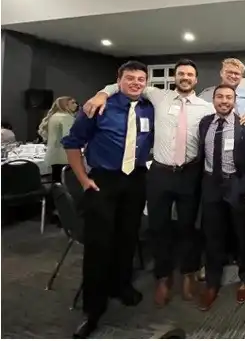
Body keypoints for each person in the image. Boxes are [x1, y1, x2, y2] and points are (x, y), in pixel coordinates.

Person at [84, 59, 212, 306]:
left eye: (190, 74)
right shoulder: (158, 96)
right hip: (160, 174)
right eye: (181, 73)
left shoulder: (205, 107)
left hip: (190, 174)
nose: (185, 77)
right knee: (159, 227)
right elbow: (124, 84)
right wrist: (102, 94)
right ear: (175, 77)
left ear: (196, 80)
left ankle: (188, 274)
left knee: (189, 228)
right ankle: (163, 278)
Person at [62, 61, 154, 339]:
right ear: (119, 80)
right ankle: (93, 308)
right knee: (99, 244)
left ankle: (121, 285)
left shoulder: (151, 107)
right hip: (104, 180)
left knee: (128, 237)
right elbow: (72, 143)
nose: (136, 83)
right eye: (130, 78)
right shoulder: (98, 106)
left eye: (140, 79)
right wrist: (82, 179)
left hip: (136, 178)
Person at [198, 85, 245, 311]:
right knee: (212, 236)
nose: (224, 101)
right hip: (211, 184)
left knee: (243, 234)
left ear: (235, 100)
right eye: (220, 97)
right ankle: (212, 283)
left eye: (228, 97)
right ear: (213, 99)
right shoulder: (205, 123)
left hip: (237, 184)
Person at [38, 96, 78, 182]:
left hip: (53, 154)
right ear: (65, 105)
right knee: (66, 183)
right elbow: (68, 137)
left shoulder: (53, 116)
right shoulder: (66, 117)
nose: (76, 105)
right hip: (64, 155)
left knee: (56, 180)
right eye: (73, 103)